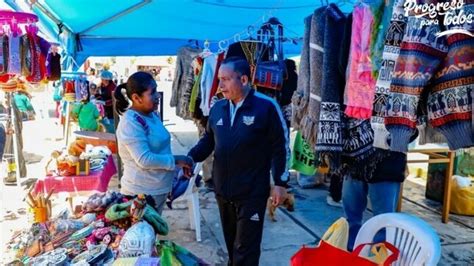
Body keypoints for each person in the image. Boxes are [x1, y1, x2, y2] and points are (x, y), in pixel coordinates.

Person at [187, 57, 290, 266]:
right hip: (223, 190)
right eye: (219, 80)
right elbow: (208, 140)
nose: (220, 85)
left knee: (246, 249)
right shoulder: (218, 108)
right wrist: (189, 159)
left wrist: (280, 183)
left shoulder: (266, 107)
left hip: (252, 191)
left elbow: (281, 146)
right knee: (233, 244)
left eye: (225, 79)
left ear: (243, 79)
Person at [114, 71, 193, 214]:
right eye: (153, 92)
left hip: (157, 190)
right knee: (142, 234)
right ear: (136, 98)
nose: (158, 96)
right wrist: (176, 160)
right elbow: (144, 159)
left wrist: (176, 170)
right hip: (141, 195)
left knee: (153, 233)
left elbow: (159, 150)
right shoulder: (131, 123)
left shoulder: (152, 115)